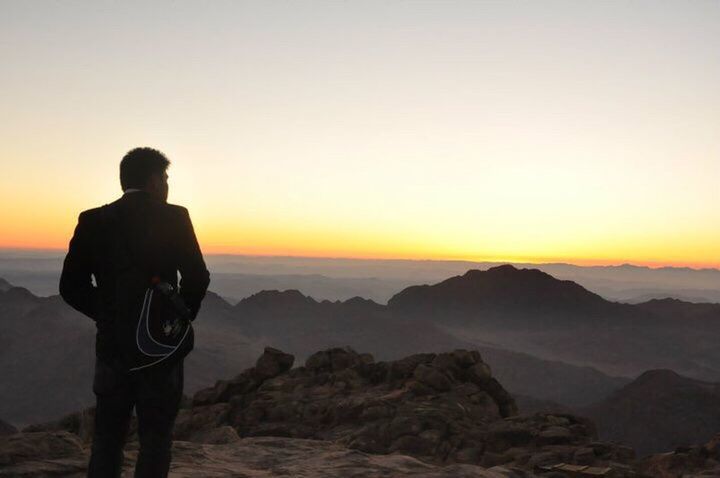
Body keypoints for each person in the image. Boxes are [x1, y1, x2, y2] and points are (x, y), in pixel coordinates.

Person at [60, 147, 210, 477]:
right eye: (166, 177)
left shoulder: (93, 220)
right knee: (156, 442)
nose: (168, 184)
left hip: (112, 349)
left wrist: (108, 313)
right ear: (155, 180)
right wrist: (177, 319)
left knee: (107, 441)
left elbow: (70, 286)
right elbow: (198, 277)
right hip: (160, 351)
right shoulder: (174, 217)